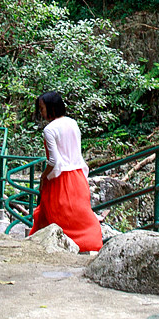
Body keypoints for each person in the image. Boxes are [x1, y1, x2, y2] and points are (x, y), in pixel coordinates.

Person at [31, 91, 103, 252]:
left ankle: (53, 247)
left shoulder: (50, 130)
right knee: (80, 217)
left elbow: (54, 161)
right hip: (78, 178)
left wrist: (43, 177)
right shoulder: (73, 123)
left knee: (57, 217)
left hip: (60, 180)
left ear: (51, 108)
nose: (41, 113)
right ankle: (90, 242)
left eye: (42, 108)